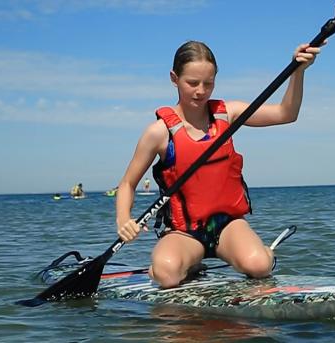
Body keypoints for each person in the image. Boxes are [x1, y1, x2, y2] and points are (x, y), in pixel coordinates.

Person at [116, 40, 323, 288]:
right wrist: (123, 219)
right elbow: (128, 183)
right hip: (184, 232)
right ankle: (182, 265)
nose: (201, 91)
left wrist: (298, 72)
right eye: (192, 83)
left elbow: (286, 114)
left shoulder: (229, 114)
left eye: (208, 83)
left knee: (258, 267)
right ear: (174, 78)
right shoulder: (158, 133)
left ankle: (263, 254)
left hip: (228, 227)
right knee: (166, 275)